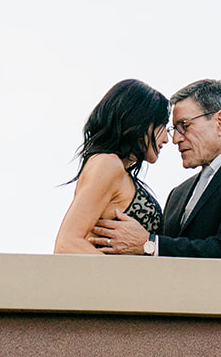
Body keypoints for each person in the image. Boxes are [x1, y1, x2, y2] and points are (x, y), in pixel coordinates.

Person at [90, 77, 221, 258]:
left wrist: (149, 244)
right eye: (173, 129)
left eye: (184, 125)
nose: (175, 139)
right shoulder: (178, 194)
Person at [54, 79, 170, 254]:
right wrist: (119, 280)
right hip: (110, 280)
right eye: (163, 126)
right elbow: (67, 243)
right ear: (142, 122)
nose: (167, 139)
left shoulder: (116, 169)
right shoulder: (108, 164)